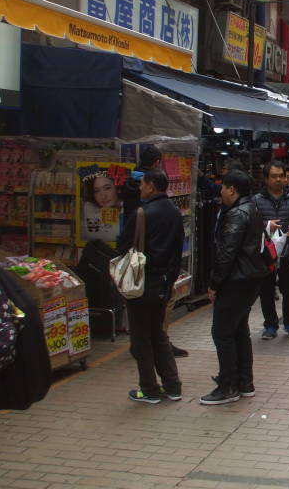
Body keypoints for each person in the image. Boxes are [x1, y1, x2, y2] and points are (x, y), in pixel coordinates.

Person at [202, 170, 271, 405]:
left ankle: (228, 385)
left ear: (232, 189)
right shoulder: (251, 208)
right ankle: (244, 382)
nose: (220, 191)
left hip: (237, 280)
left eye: (222, 187)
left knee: (222, 332)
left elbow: (226, 253)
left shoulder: (237, 214)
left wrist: (214, 284)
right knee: (238, 329)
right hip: (250, 278)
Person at [118, 170, 184, 404]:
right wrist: (170, 280)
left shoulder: (142, 213)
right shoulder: (175, 213)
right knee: (159, 333)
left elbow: (123, 245)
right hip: (163, 283)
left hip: (141, 282)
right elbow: (177, 253)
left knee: (141, 338)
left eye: (143, 184)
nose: (140, 188)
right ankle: (173, 386)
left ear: (152, 186)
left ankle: (149, 389)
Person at [253, 161, 289, 340]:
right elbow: (250, 224)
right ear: (266, 178)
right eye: (274, 176)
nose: (278, 180)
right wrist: (266, 225)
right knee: (266, 291)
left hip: (287, 251)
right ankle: (270, 325)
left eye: (281, 176)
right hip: (265, 254)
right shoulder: (256, 200)